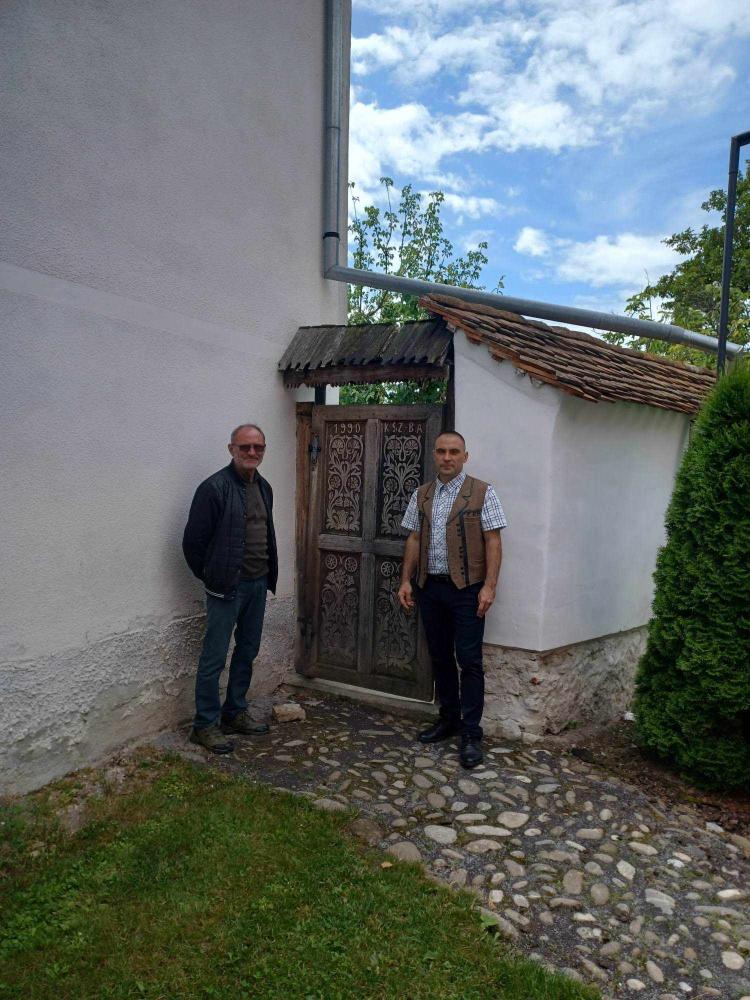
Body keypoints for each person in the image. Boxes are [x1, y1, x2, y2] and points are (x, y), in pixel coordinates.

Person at [398, 431, 506, 769]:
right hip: (430, 587)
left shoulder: (483, 492)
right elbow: (414, 538)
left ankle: (471, 733)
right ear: (434, 454)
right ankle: (449, 719)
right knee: (440, 656)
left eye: (454, 452)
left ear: (465, 456)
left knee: (469, 661)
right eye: (442, 451)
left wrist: (489, 587)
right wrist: (406, 580)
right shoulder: (422, 494)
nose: (447, 457)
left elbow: (493, 541)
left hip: (468, 589)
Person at [182, 423, 278, 754]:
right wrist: (212, 577)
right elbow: (193, 543)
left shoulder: (264, 487)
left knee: (247, 650)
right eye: (245, 446)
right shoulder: (213, 488)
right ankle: (204, 724)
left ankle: (234, 712)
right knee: (214, 656)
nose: (252, 452)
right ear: (231, 449)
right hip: (226, 588)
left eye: (258, 447)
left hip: (258, 583)